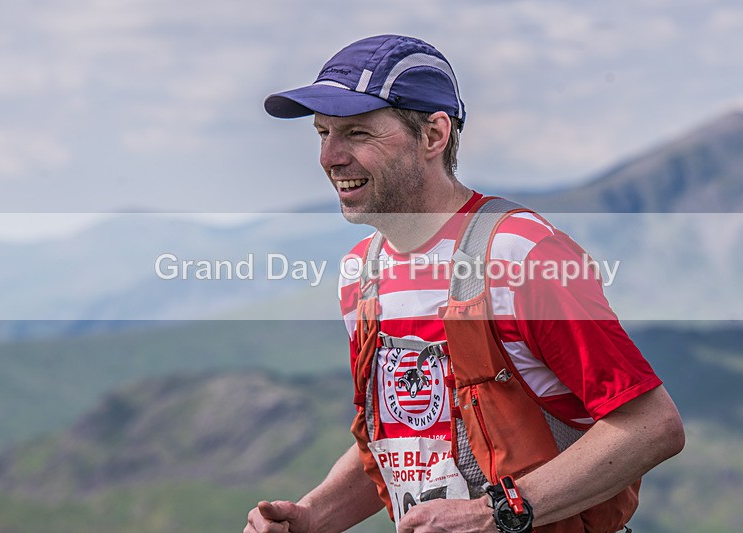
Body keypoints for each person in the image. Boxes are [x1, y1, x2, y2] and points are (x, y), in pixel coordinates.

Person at [247, 34, 684, 533]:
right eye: (322, 133)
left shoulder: (521, 255)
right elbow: (416, 438)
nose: (330, 157)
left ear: (434, 136)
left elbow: (652, 426)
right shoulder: (360, 275)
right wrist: (312, 517)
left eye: (358, 134)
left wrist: (494, 514)